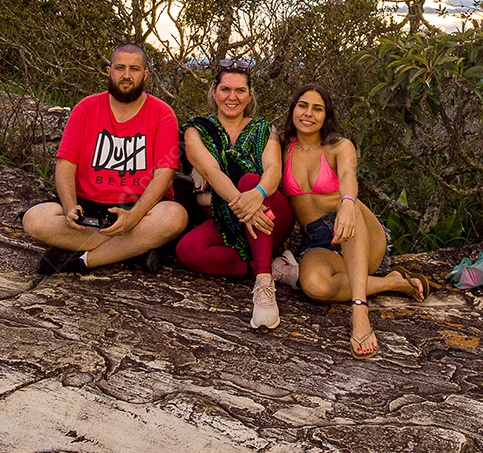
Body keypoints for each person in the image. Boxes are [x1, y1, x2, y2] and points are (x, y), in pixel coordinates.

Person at [280, 84, 429, 359]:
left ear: (327, 116)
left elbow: (348, 175)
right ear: (293, 110)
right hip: (319, 242)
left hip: (359, 232)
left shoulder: (339, 147)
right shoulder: (281, 148)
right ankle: (394, 283)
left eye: (317, 108)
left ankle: (360, 311)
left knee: (347, 204)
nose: (309, 113)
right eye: (303, 105)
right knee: (314, 285)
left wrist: (347, 201)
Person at [23, 43, 188, 274]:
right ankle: (133, 249)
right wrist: (70, 207)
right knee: (35, 219)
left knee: (174, 218)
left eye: (134, 69)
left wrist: (134, 217)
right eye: (120, 68)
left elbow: (165, 174)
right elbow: (65, 164)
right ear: (109, 70)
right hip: (87, 205)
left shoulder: (162, 113)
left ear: (145, 75)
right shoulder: (86, 108)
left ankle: (81, 260)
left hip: (137, 206)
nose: (127, 76)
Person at [175, 59, 296, 329]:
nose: (232, 97)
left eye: (240, 90)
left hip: (272, 215)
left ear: (249, 94)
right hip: (227, 219)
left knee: (251, 179)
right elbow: (212, 172)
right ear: (214, 92)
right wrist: (244, 204)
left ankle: (264, 284)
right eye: (225, 89)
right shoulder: (196, 130)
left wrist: (257, 193)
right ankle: (273, 267)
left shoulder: (265, 129)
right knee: (188, 250)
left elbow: (273, 170)